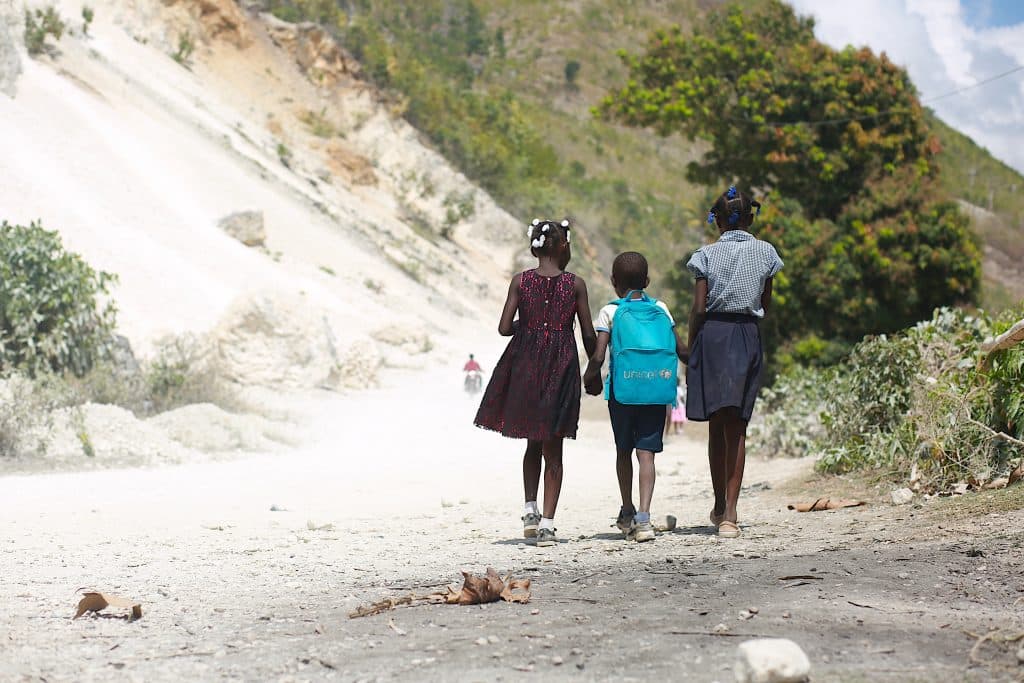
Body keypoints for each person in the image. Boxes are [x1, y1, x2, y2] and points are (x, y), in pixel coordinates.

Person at [474, 218, 597, 547]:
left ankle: (530, 511)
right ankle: (548, 525)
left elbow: (503, 327)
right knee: (553, 447)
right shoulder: (575, 284)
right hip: (560, 365)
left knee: (532, 440)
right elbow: (586, 332)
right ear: (563, 247)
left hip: (526, 364)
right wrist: (595, 365)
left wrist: (528, 325)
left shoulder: (520, 281)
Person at [685, 186, 783, 538]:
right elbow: (766, 304)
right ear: (751, 217)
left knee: (717, 423)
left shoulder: (705, 255)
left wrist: (691, 343)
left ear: (717, 220)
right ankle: (731, 512)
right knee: (737, 426)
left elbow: (699, 307)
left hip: (712, 335)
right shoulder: (766, 252)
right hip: (746, 335)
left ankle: (717, 503)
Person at [583, 252, 687, 543]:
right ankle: (644, 518)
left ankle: (627, 508)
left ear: (614, 282)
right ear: (648, 281)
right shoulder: (662, 309)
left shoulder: (610, 312)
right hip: (656, 392)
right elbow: (681, 351)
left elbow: (600, 355)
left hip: (623, 393)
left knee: (623, 451)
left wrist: (588, 378)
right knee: (647, 455)